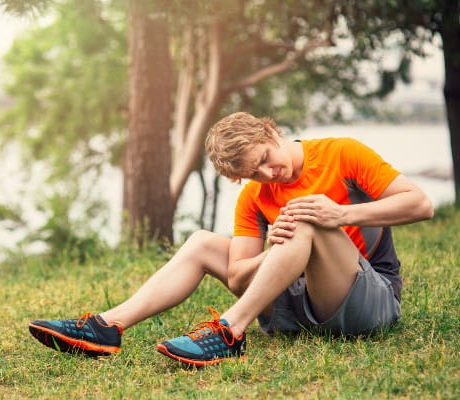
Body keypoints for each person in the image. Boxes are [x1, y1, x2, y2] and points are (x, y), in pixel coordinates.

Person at [28, 112, 434, 366]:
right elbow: (239, 277)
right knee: (204, 241)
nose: (267, 176)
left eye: (263, 161)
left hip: (369, 301)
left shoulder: (342, 153)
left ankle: (227, 333)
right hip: (296, 311)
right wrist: (272, 248)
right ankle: (107, 327)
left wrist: (340, 214)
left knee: (306, 217)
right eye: (252, 174)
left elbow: (420, 205)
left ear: (270, 131)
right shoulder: (255, 197)